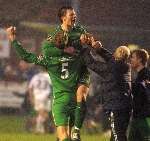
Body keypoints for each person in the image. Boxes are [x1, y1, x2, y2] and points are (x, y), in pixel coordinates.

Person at [6, 6, 94, 141]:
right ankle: (76, 130)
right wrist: (82, 44)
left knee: (63, 136)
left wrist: (13, 40)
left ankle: (74, 131)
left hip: (60, 100)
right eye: (72, 14)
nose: (74, 16)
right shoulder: (75, 56)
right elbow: (85, 53)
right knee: (69, 135)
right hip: (73, 97)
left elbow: (28, 56)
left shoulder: (48, 60)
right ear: (63, 18)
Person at [82, 45, 132, 141]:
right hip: (126, 105)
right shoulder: (126, 66)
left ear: (115, 54)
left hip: (115, 105)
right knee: (118, 133)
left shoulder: (110, 68)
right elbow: (111, 59)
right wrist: (100, 50)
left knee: (117, 135)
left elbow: (92, 63)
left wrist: (85, 48)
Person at [128, 49, 150, 141]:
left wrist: (128, 84)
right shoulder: (139, 75)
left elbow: (143, 91)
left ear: (140, 60)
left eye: (133, 57)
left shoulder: (147, 75)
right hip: (137, 116)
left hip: (145, 117)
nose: (131, 60)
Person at [28, 69, 52, 133]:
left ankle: (40, 128)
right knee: (43, 114)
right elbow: (54, 86)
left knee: (44, 114)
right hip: (45, 96)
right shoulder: (49, 76)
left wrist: (31, 98)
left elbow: (30, 88)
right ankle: (38, 129)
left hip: (37, 97)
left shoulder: (36, 76)